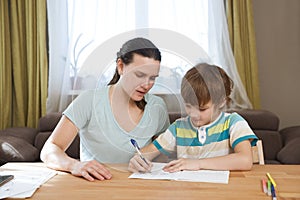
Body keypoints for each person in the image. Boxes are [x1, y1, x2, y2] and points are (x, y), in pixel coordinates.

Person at [41, 37, 170, 181]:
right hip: (96, 186)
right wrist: (74, 165)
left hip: (141, 188)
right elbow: (49, 149)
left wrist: (147, 156)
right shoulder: (88, 101)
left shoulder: (157, 107)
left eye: (153, 78)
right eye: (139, 75)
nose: (146, 84)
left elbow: (164, 147)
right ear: (120, 66)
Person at [128, 63, 258, 173]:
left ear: (221, 102)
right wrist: (138, 159)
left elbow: (245, 160)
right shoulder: (178, 128)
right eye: (189, 106)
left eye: (202, 109)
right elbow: (148, 153)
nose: (194, 114)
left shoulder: (233, 123)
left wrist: (197, 163)